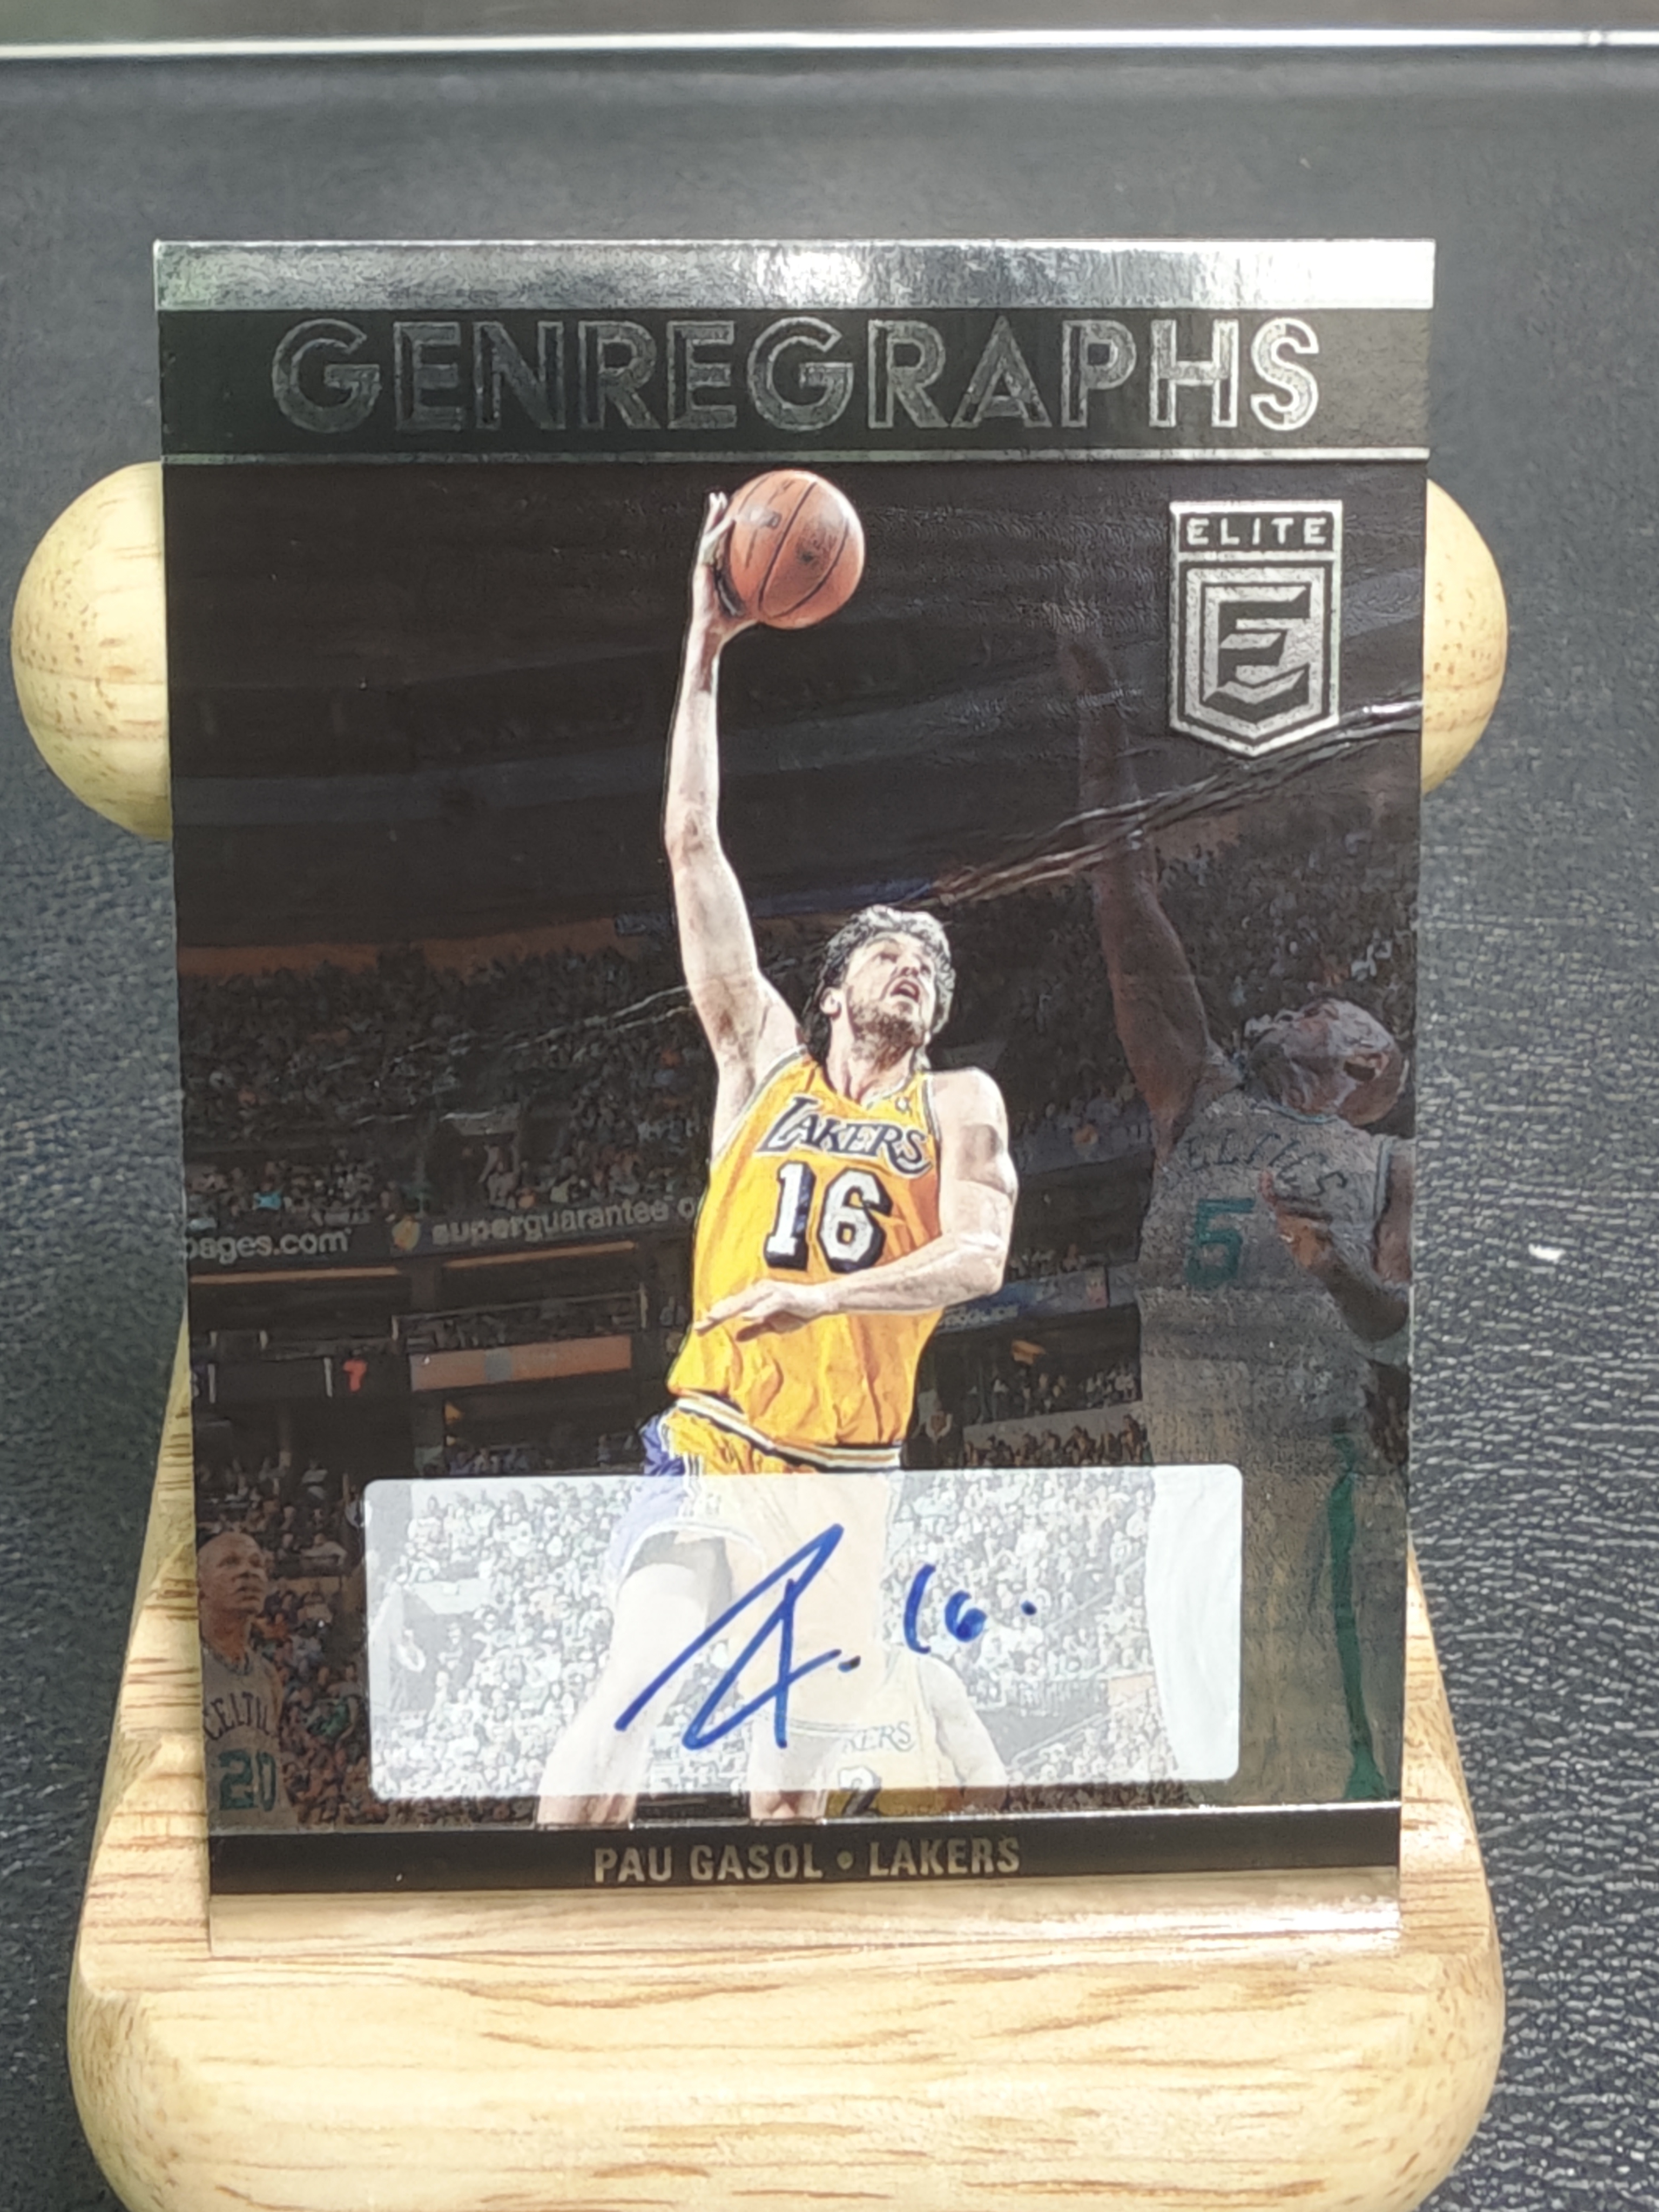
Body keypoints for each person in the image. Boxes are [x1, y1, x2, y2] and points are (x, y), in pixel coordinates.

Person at [537, 494, 1017, 1827]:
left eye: (931, 967)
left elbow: (979, 1257)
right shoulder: (759, 1062)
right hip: (718, 1435)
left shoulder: (960, 1101)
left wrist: (820, 1298)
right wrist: (704, 647)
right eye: (889, 952)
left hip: (850, 1478)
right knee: (633, 1683)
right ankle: (553, 1922)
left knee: (790, 1805)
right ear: (831, 987)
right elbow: (691, 841)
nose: (913, 968)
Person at [1068, 635, 1411, 1805]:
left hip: (1323, 1509)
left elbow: (1413, 1338)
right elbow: (1123, 903)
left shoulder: (1389, 1165)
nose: (1292, 1008)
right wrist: (1103, 715)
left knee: (1345, 1801)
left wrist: (1339, 1274)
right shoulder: (1196, 1101)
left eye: (1321, 1009)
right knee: (1229, 1804)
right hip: (1192, 1518)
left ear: (1364, 1062)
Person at [197, 1529, 298, 1829]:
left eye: (257, 1564)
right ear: (199, 1583)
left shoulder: (266, 1675)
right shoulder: (183, 1669)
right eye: (230, 1563)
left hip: (266, 1841)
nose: (247, 1572)